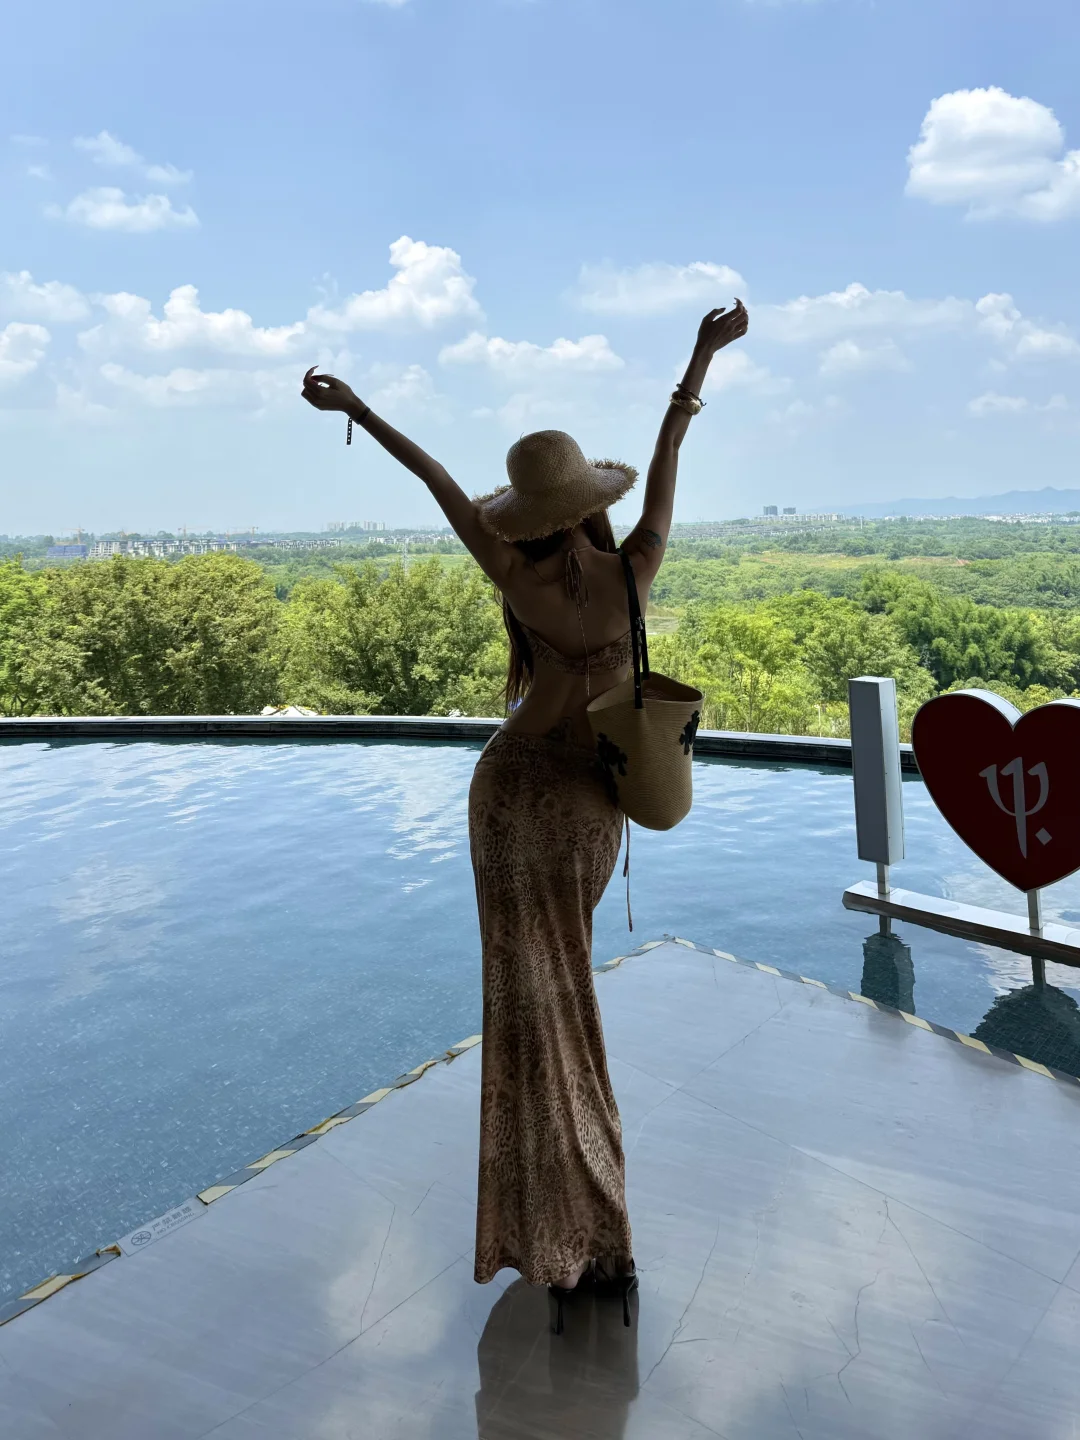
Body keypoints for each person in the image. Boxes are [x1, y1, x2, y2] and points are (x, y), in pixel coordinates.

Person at [301, 300, 749, 1331]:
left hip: (509, 798)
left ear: (529, 516)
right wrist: (700, 355)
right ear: (588, 505)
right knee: (569, 998)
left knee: (527, 1006)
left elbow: (437, 483)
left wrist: (358, 408)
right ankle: (590, 1230)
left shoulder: (513, 575)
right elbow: (670, 445)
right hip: (589, 804)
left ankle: (562, 1233)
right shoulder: (637, 568)